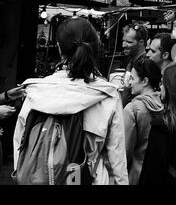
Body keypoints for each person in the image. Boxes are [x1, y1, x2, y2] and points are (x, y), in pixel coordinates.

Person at [13, 18, 128, 184]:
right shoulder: (107, 95)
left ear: (59, 49)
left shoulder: (36, 92)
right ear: (94, 47)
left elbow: (20, 148)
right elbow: (116, 160)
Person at [123, 59, 163, 185]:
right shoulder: (165, 104)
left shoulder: (133, 109)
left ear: (145, 81)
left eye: (133, 78)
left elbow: (124, 152)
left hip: (138, 175)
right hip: (161, 174)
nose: (129, 82)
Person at [121, 23, 148, 107]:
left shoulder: (145, 65)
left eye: (129, 42)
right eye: (123, 41)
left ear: (141, 42)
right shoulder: (132, 61)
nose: (123, 45)